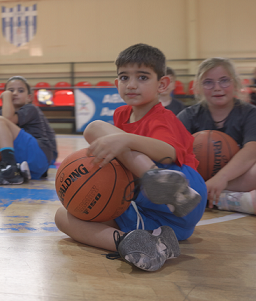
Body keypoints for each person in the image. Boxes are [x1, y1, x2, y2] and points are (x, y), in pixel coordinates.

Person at [55, 43, 206, 272]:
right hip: (160, 218)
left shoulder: (162, 118)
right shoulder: (121, 114)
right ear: (117, 84)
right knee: (63, 217)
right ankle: (137, 243)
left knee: (94, 128)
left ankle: (157, 179)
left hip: (185, 189)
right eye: (124, 77)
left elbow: (169, 153)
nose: (132, 84)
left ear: (162, 84)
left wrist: (128, 140)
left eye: (143, 77)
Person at [178, 58, 256, 214]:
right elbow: (172, 150)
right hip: (197, 178)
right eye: (208, 82)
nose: (217, 88)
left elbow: (252, 149)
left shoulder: (249, 113)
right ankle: (226, 199)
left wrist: (222, 178)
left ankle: (207, 196)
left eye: (224, 81)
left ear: (235, 83)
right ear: (198, 87)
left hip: (236, 178)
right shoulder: (188, 116)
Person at [0, 76, 58, 184]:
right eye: (10, 91)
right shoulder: (2, 115)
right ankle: (15, 175)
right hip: (21, 163)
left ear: (29, 97)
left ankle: (9, 168)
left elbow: (8, 118)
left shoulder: (31, 108)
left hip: (39, 155)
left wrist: (6, 95)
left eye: (20, 90)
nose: (14, 93)